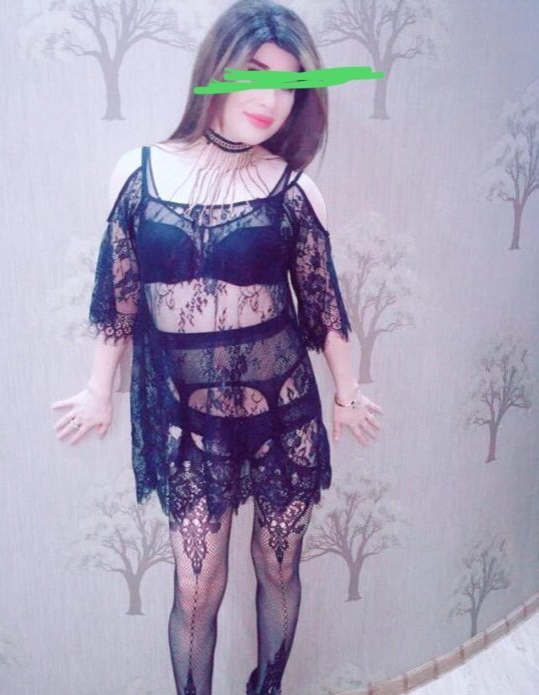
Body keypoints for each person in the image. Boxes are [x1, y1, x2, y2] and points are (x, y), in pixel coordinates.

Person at [52, 1, 383, 693]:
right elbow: (119, 296)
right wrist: (96, 387)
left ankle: (268, 688)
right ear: (216, 67)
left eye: (289, 83)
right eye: (255, 71)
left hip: (282, 410)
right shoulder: (138, 172)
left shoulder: (295, 189)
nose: (270, 97)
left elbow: (323, 308)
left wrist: (348, 393)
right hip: (190, 420)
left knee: (278, 567)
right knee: (196, 589)